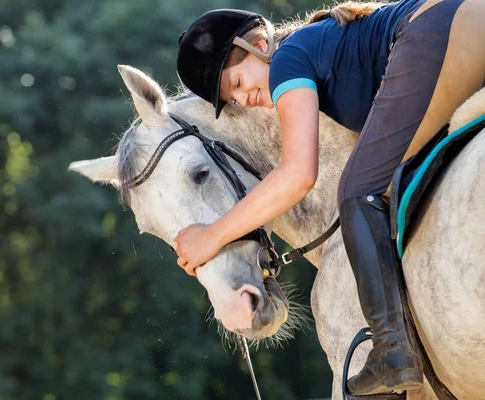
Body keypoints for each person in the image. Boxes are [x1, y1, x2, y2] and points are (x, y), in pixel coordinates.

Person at [172, 0, 485, 396]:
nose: (243, 100)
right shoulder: (314, 49)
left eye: (235, 84)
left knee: (356, 190)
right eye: (231, 101)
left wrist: (213, 235)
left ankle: (392, 349)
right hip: (463, 19)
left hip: (441, 29)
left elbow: (298, 174)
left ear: (258, 44)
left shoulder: (287, 61)